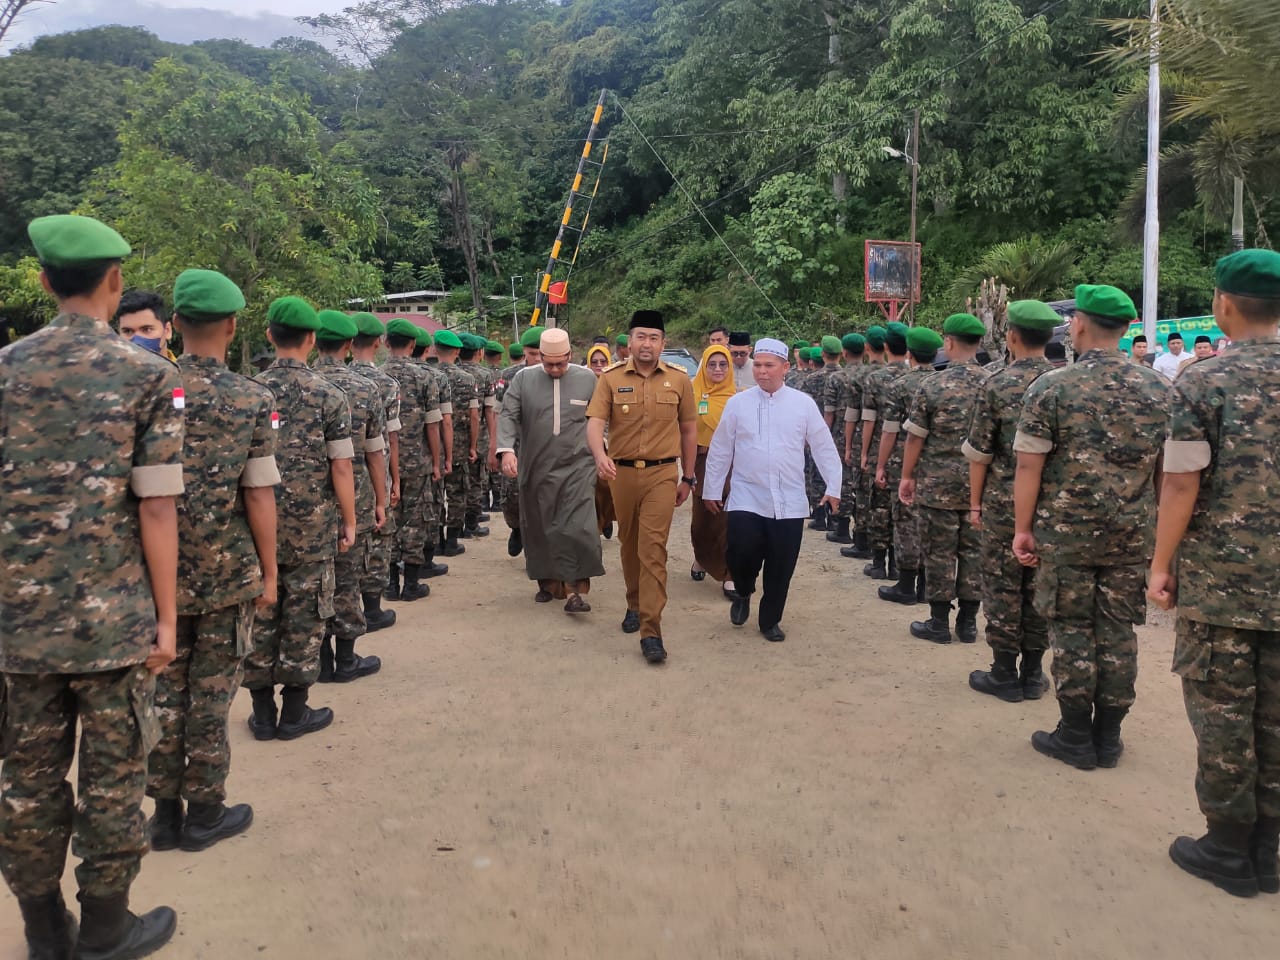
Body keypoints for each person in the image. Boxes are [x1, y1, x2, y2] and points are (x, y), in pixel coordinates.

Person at [1, 215, 182, 960]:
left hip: (19, 623)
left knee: (28, 781)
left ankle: (45, 930)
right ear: (115, 284)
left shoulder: (6, 368)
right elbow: (159, 504)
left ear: (44, 282)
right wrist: (167, 620)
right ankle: (108, 924)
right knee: (114, 774)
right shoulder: (148, 376)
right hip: (115, 623)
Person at [1148, 249, 1280, 898]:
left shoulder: (1202, 383)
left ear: (1224, 307)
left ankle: (1228, 848)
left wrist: (1161, 565)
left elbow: (1179, 484)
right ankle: (1270, 851)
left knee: (1225, 713)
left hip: (1223, 586)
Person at [146, 268, 276, 858]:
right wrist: (269, 572)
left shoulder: (148, 388)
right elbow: (257, 494)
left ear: (173, 325)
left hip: (157, 574)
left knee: (164, 692)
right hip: (225, 574)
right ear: (231, 326)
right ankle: (205, 812)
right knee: (212, 695)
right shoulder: (252, 398)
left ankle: (164, 815)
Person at [1013, 284, 1167, 771]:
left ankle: (1075, 735)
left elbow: (1028, 468)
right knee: (1119, 631)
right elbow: (1169, 473)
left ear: (1078, 324)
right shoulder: (1160, 389)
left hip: (1065, 537)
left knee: (1073, 630)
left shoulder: (1052, 387)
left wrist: (1022, 529)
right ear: (1125, 331)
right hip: (1131, 536)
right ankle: (1110, 737)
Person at [248, 297, 355, 743]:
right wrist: (350, 519)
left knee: (261, 612)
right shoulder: (330, 395)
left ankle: (261, 713)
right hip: (312, 528)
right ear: (312, 339)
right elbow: (342, 466)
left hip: (258, 526)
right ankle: (295, 713)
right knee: (305, 615)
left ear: (270, 336)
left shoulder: (251, 391)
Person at [704, 338, 841, 642]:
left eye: (769, 365)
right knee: (740, 552)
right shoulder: (738, 403)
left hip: (789, 499)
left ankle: (770, 620)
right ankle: (742, 590)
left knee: (781, 565)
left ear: (785, 368)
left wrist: (834, 486)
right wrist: (711, 489)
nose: (762, 372)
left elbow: (823, 446)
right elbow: (721, 448)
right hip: (746, 496)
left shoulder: (802, 404)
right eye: (759, 365)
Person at [587, 310, 697, 664]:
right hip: (621, 474)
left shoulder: (679, 381)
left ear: (663, 343)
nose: (646, 343)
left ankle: (651, 629)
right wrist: (599, 454)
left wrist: (689, 476)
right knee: (629, 543)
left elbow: (689, 430)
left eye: (653, 337)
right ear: (629, 342)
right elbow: (595, 422)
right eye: (640, 337)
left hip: (662, 474)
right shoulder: (611, 378)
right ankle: (633, 603)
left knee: (653, 548)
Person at [962, 301, 1058, 701]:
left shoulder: (996, 383)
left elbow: (979, 454)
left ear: (1011, 336)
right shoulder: (1062, 382)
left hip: (1004, 503)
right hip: (1051, 508)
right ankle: (1033, 673)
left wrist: (975, 504)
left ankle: (1003, 672)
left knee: (1002, 586)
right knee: (1038, 587)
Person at [497, 329, 605, 611]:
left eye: (560, 363)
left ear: (570, 355)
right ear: (539, 356)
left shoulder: (587, 379)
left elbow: (600, 418)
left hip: (578, 466)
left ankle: (574, 590)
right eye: (549, 363)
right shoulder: (524, 379)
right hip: (537, 465)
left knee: (579, 527)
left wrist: (602, 451)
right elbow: (508, 414)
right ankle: (547, 583)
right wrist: (506, 449)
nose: (555, 369)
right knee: (541, 527)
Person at [899, 313, 990, 644]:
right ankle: (967, 622)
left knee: (939, 552)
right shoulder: (992, 383)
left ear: (948, 344)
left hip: (938, 485)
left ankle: (939, 622)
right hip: (980, 488)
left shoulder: (933, 385)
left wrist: (907, 475)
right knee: (973, 552)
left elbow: (915, 438)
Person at [312, 311, 387, 684]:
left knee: (307, 585)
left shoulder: (268, 386)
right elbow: (375, 453)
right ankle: (345, 660)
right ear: (347, 345)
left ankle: (318, 661)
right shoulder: (363, 389)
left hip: (298, 508)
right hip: (350, 499)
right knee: (345, 579)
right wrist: (380, 498)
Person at [874, 326, 943, 605]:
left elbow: (890, 431)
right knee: (930, 523)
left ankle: (905, 586)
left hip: (903, 462)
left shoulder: (898, 386)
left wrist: (880, 465)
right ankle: (927, 586)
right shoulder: (942, 382)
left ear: (910, 354)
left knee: (904, 523)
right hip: (935, 466)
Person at [382, 319, 445, 602]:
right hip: (417, 461)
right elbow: (433, 425)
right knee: (416, 521)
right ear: (412, 345)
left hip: (383, 463)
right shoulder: (425, 377)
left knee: (388, 521)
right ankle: (412, 584)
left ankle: (390, 584)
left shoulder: (377, 376)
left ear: (385, 343)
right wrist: (436, 460)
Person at [349, 312, 405, 627]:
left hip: (338, 478)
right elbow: (389, 440)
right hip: (373, 474)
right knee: (379, 538)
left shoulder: (330, 380)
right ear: (377, 342)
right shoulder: (384, 384)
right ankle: (372, 608)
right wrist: (393, 480)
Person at [857, 324, 910, 578]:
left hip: (882, 449)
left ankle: (880, 563)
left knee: (879, 508)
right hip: (910, 456)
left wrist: (865, 453)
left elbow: (869, 420)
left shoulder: (875, 379)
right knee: (905, 512)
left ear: (886, 347)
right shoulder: (916, 377)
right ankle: (900, 565)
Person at [689, 344, 738, 599]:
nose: (717, 370)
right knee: (701, 521)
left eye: (723, 365)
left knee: (727, 519)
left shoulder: (738, 398)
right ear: (704, 367)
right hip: (701, 462)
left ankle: (729, 573)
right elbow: (682, 430)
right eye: (712, 364)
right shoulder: (692, 394)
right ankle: (701, 559)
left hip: (732, 465)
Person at [434, 329, 480, 548]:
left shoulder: (430, 375)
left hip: (432, 445)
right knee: (456, 492)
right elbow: (473, 416)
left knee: (435, 494)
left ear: (435, 349)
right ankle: (452, 539)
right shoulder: (466, 379)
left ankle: (435, 539)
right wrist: (473, 445)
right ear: (457, 351)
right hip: (460, 443)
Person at [115, 288, 177, 361]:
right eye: (128, 331)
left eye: (147, 329)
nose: (137, 341)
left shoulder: (187, 372)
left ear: (167, 330)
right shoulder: (105, 371)